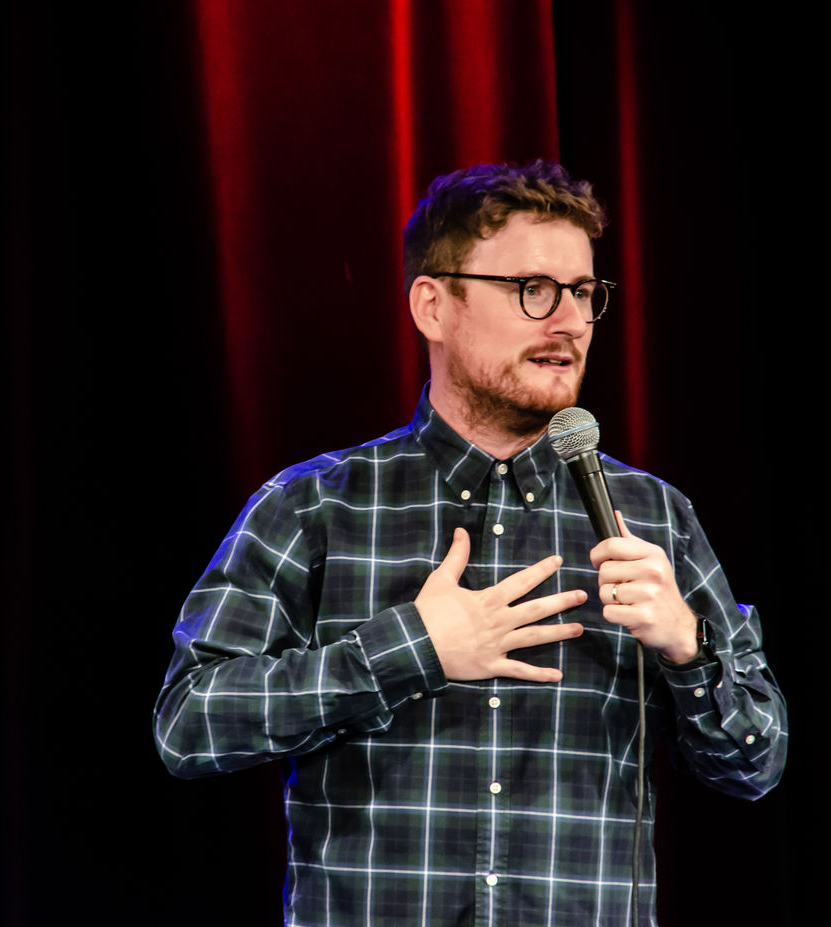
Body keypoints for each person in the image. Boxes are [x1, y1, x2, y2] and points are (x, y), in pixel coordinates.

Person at [153, 160, 787, 925]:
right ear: (434, 306)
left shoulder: (654, 517)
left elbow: (757, 761)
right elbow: (188, 724)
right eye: (533, 289)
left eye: (584, 292)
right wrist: (411, 648)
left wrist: (688, 646)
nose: (570, 320)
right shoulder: (315, 504)